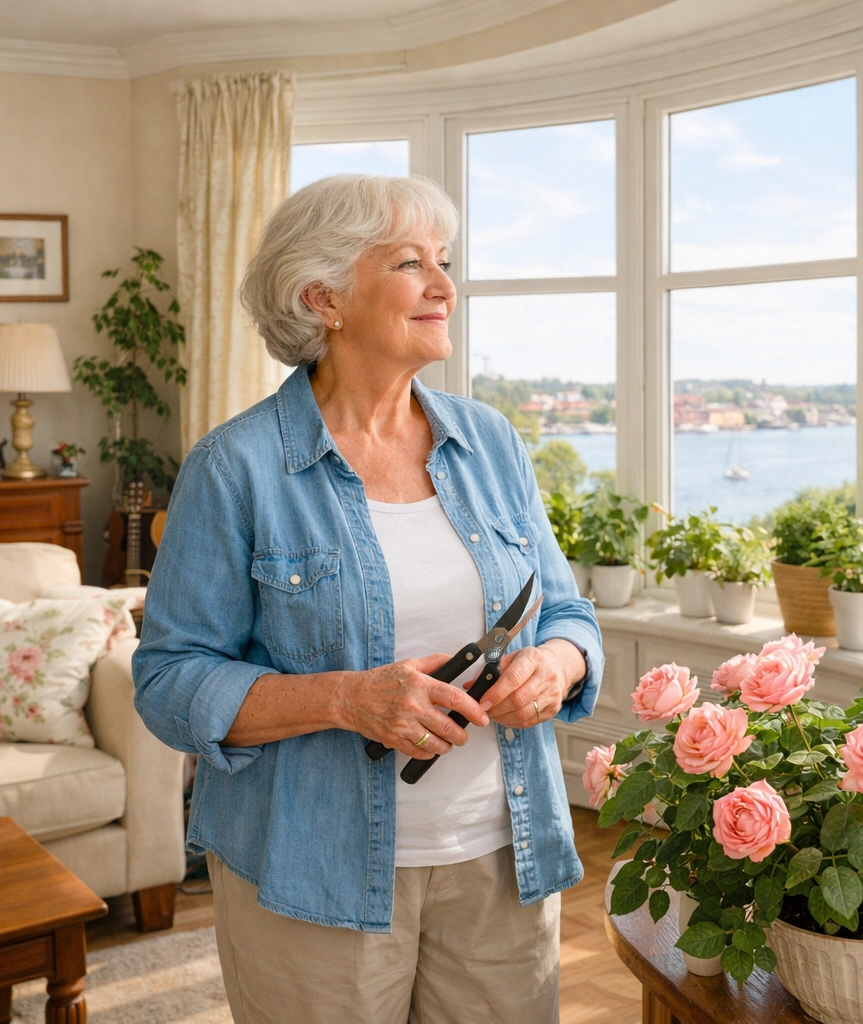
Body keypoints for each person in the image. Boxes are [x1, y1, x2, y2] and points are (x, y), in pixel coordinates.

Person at [132, 174, 602, 1024]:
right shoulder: (234, 468)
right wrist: (349, 699)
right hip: (312, 876)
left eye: (445, 262)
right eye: (409, 263)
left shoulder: (490, 442)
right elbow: (168, 683)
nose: (444, 286)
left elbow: (567, 613)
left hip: (503, 860)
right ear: (324, 298)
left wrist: (557, 666)